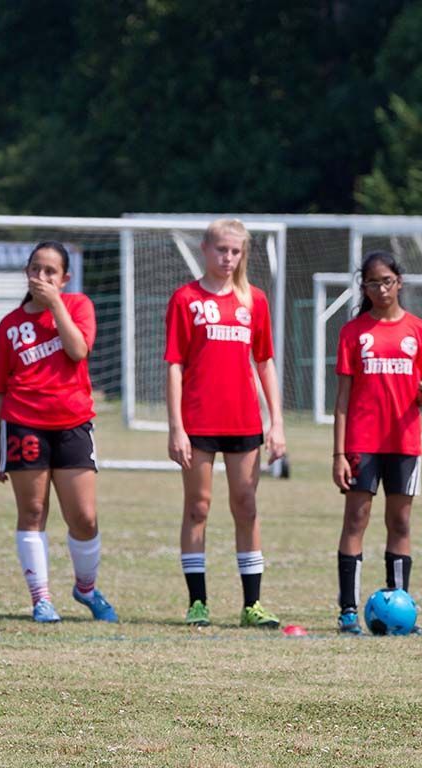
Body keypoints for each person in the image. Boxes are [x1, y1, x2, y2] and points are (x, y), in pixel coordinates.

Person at [164, 218, 286, 628]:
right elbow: (175, 365)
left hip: (243, 421)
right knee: (198, 506)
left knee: (246, 506)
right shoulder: (186, 299)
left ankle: (252, 605)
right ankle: (197, 602)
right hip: (198, 420)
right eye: (221, 250)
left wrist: (277, 422)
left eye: (235, 251)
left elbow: (265, 362)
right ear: (205, 249)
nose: (228, 258)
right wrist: (176, 427)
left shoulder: (254, 301)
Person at [0, 241, 117, 624]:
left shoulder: (78, 307)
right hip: (24, 422)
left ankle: (86, 588)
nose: (41, 278)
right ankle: (41, 599)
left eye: (50, 272)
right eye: (35, 270)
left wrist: (56, 304)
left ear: (65, 278)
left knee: (85, 517)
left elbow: (78, 351)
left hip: (73, 423)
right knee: (33, 511)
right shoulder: (10, 325)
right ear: (26, 272)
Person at [332, 251, 422, 634]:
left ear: (400, 282)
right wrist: (339, 453)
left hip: (404, 442)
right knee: (356, 519)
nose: (381, 288)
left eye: (387, 281)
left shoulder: (419, 332)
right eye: (373, 282)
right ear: (364, 287)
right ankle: (348, 611)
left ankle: (400, 608)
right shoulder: (353, 333)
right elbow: (342, 399)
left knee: (400, 521)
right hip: (362, 441)